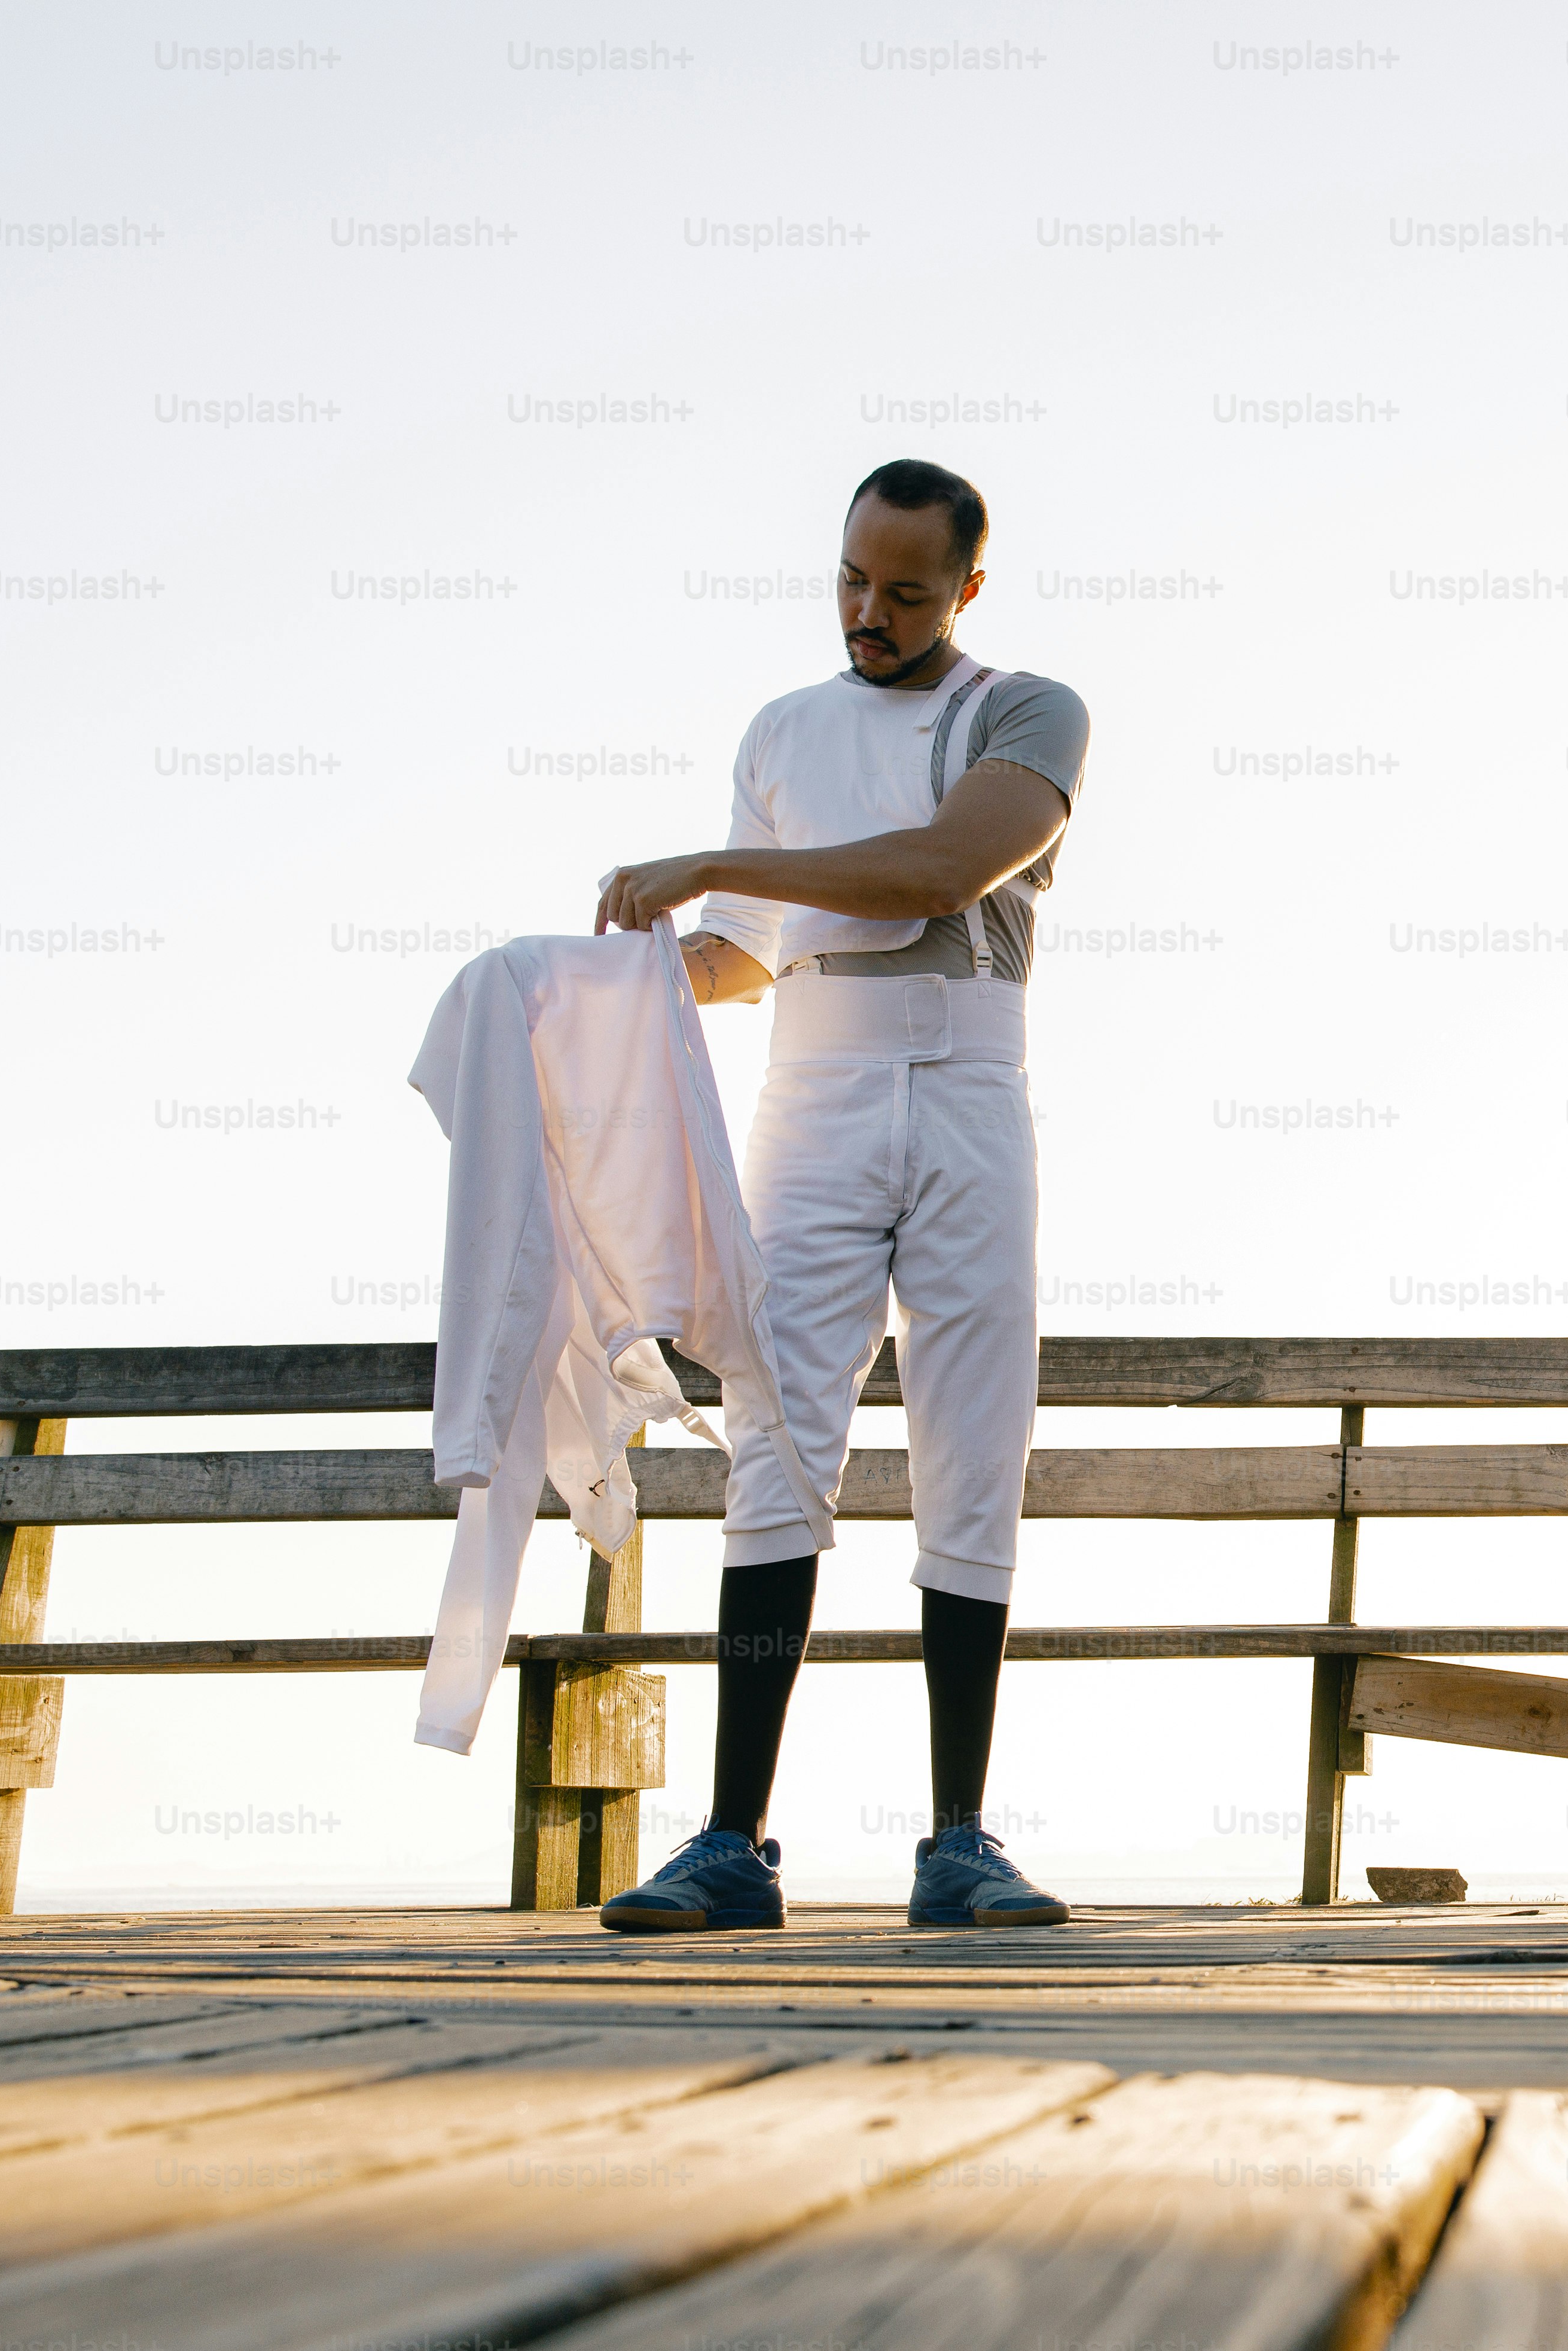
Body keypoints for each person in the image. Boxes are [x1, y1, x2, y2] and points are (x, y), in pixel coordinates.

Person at [586, 458, 1087, 1932]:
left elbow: (939, 871)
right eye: (852, 581)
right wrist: (586, 989)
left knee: (971, 1436)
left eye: (908, 593)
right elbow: (740, 952)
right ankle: (731, 1843)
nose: (871, 614)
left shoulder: (1026, 709)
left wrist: (713, 861)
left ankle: (959, 1840)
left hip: (967, 1089)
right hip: (810, 1097)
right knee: (774, 1435)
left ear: (968, 591)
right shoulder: (784, 731)